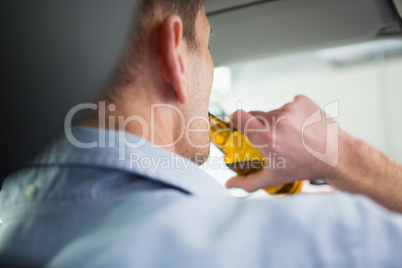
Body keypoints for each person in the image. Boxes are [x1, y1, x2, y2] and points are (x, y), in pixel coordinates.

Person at [0, 0, 401, 267]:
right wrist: (346, 156)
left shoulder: (14, 231)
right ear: (174, 54)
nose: (211, 67)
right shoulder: (327, 241)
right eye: (209, 46)